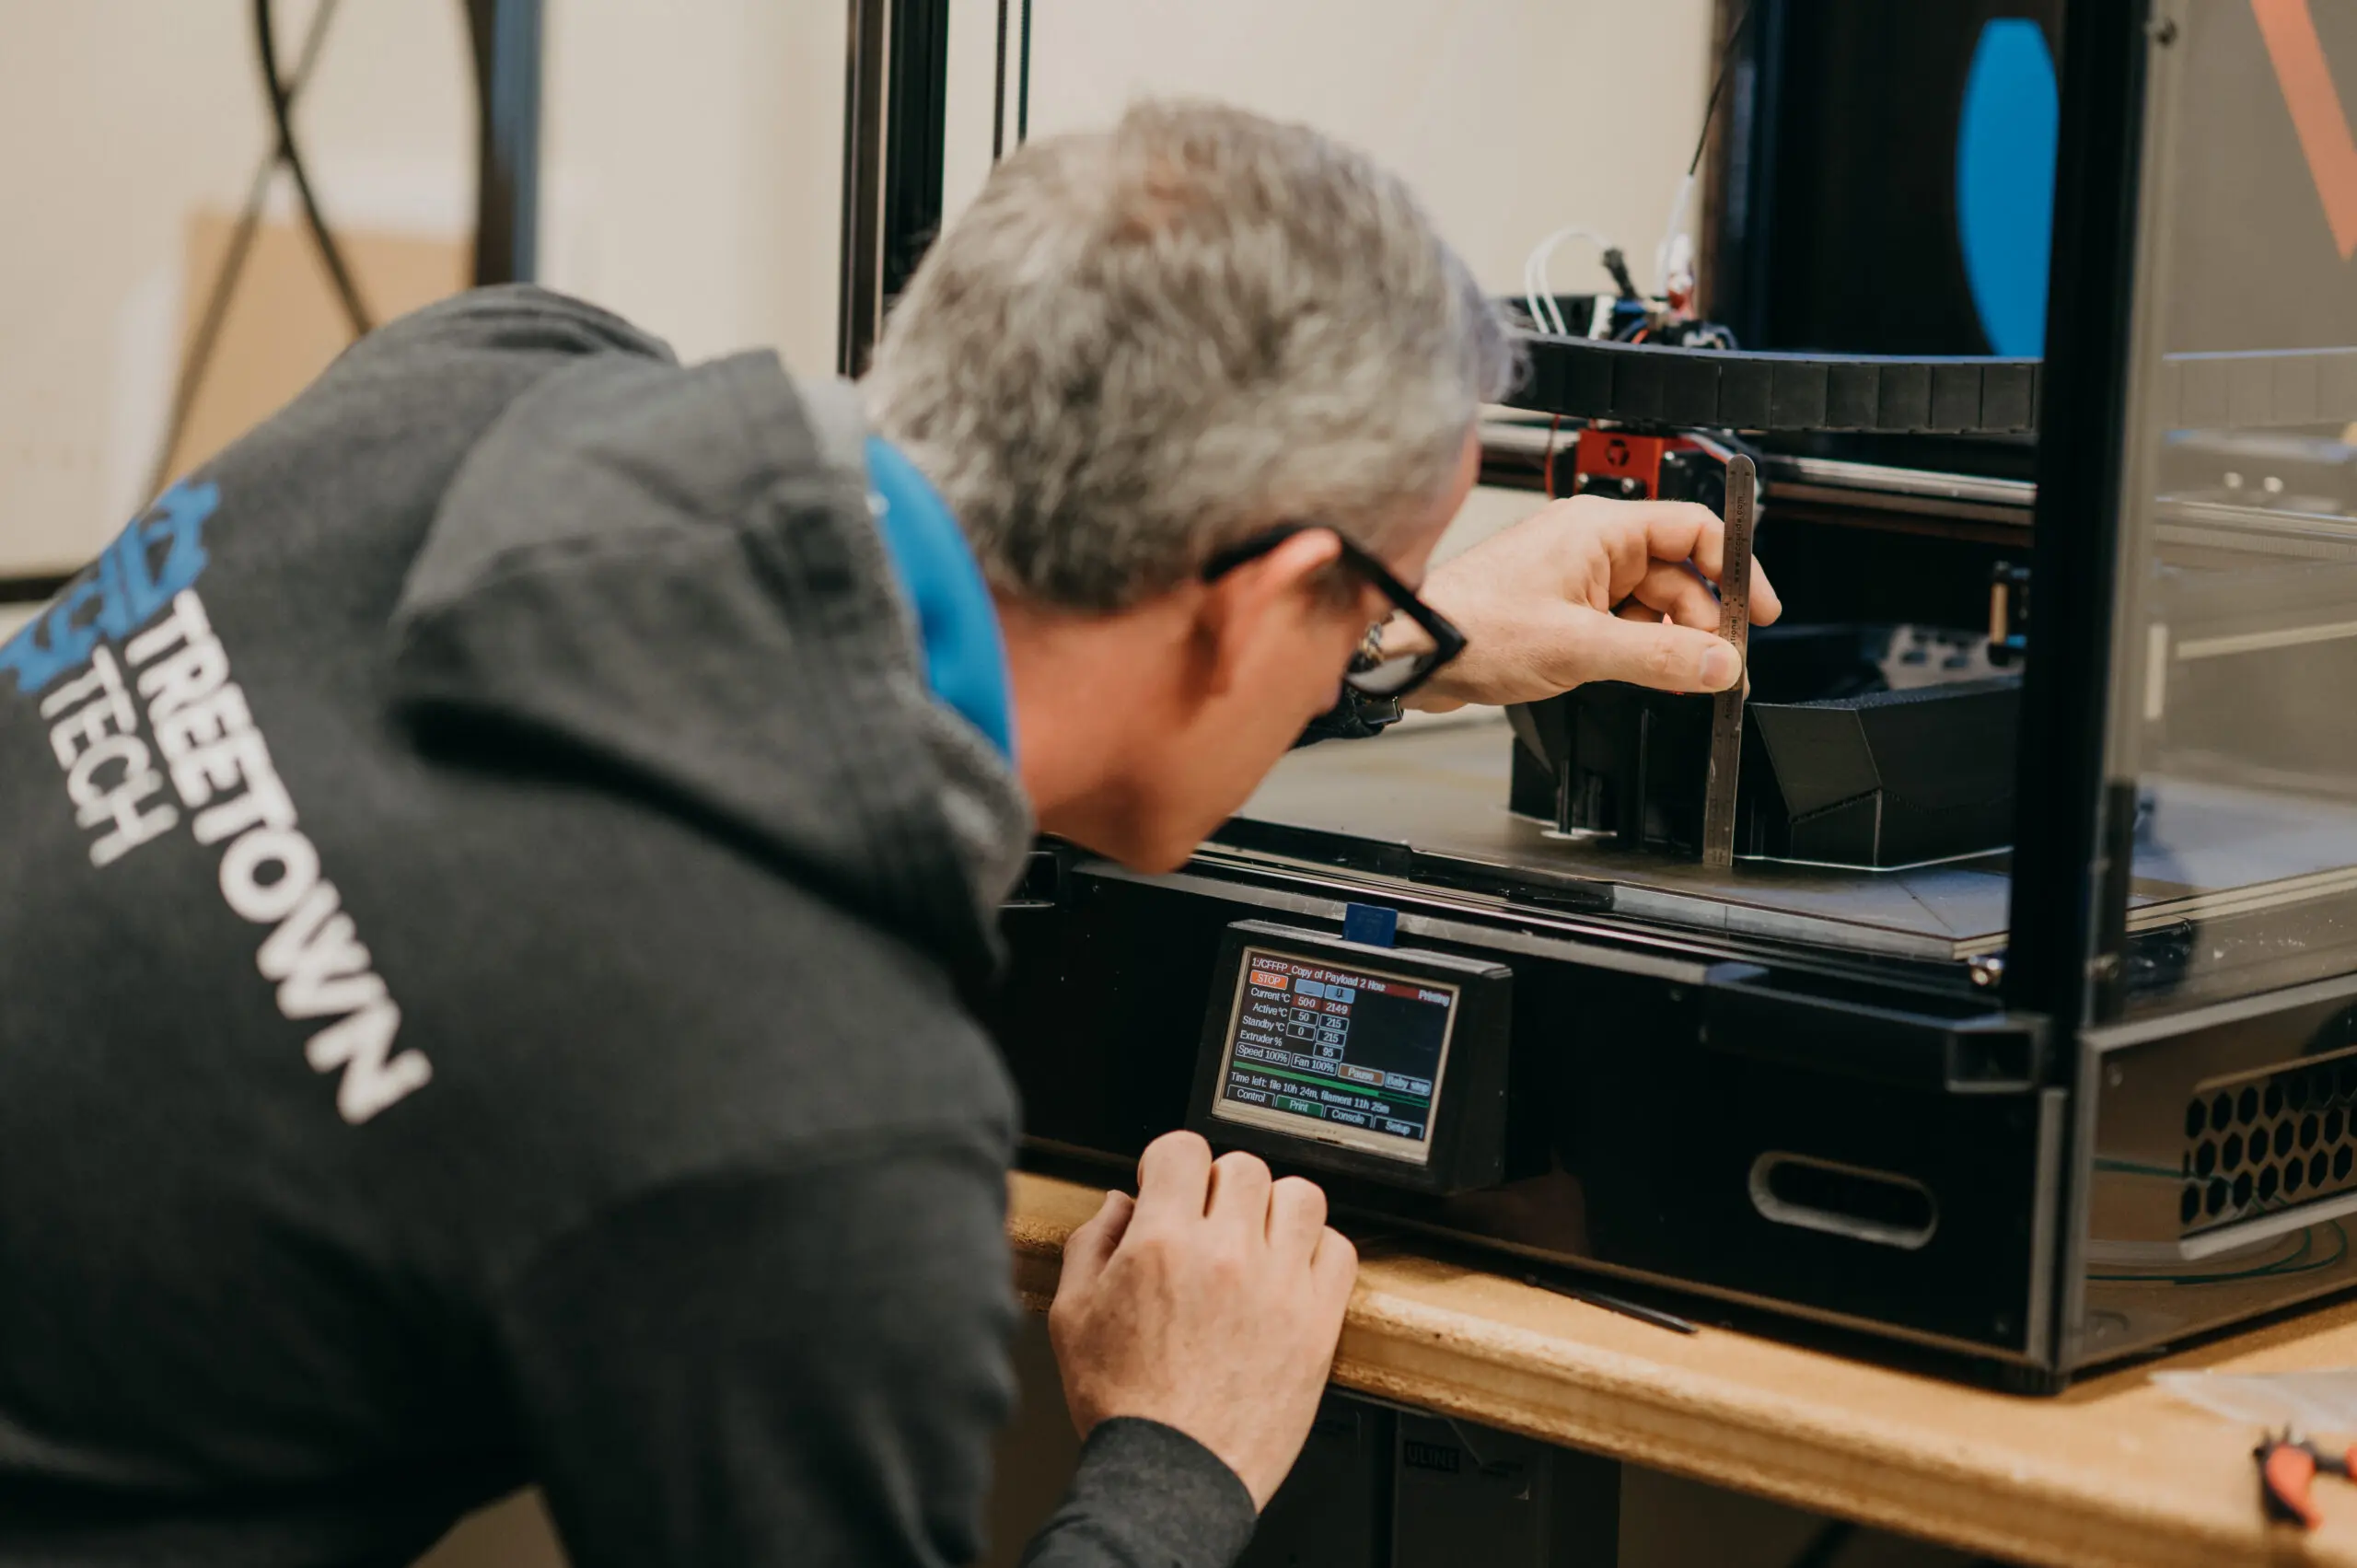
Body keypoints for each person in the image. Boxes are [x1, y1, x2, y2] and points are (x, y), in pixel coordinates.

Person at [0, 99, 1773, 1568]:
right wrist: (1176, 1462)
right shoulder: (809, 1111)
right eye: (1362, 589)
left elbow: (832, 678)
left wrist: (1394, 637)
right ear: (1252, 601)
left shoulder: (489, 378)